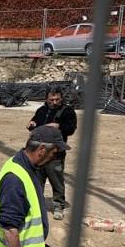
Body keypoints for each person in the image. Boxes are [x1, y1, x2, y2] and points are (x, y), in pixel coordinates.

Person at [28, 90, 77, 220]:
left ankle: (58, 205)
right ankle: (36, 204)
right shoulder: (41, 110)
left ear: (61, 99)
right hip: (39, 152)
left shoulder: (67, 111)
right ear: (47, 99)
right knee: (38, 179)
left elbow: (71, 129)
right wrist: (31, 124)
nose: (54, 102)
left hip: (55, 152)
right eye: (51, 100)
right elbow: (35, 124)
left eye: (57, 100)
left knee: (56, 179)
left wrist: (59, 126)